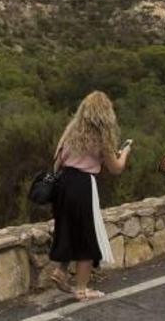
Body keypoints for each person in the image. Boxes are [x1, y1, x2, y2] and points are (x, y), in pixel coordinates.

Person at [48, 91, 132, 301]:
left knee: (68, 230)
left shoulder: (71, 130)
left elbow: (56, 161)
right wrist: (125, 153)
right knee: (87, 235)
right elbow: (115, 168)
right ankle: (82, 289)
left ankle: (60, 271)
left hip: (64, 183)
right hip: (83, 184)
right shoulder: (102, 136)